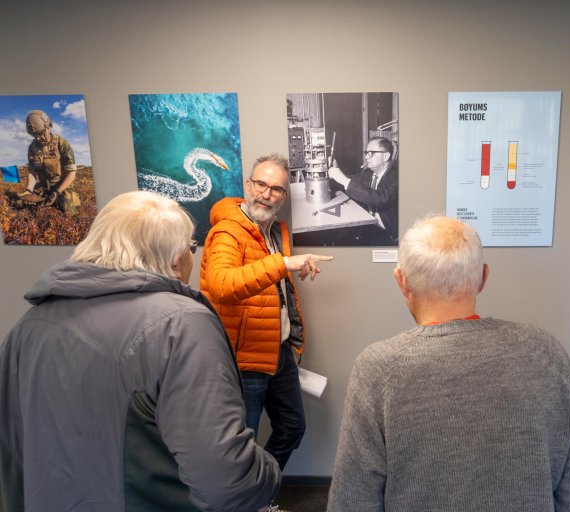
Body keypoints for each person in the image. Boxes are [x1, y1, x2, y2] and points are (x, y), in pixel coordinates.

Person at [0, 191, 280, 511]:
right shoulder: (181, 324)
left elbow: (11, 458)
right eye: (192, 247)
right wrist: (268, 472)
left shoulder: (27, 326)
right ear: (176, 258)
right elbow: (227, 483)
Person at [328, 216, 570, 511]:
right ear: (483, 278)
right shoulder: (545, 351)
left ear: (401, 281)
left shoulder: (378, 369)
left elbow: (352, 501)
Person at [200, 154, 332, 475]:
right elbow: (220, 285)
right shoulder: (229, 232)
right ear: (248, 184)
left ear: (284, 196)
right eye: (261, 184)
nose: (267, 194)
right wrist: (283, 264)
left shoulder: (273, 231)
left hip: (279, 352)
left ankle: (259, 496)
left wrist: (294, 342)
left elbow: (276, 292)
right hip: (243, 359)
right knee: (237, 448)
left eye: (276, 188)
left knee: (291, 428)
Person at [328, 135, 398, 244]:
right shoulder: (369, 173)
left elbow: (380, 199)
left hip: (388, 235)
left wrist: (343, 180)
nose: (366, 157)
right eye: (366, 153)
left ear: (386, 156)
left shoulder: (396, 176)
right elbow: (353, 180)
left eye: (372, 153)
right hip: (370, 227)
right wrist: (337, 172)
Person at [17, 109, 80, 214]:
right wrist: (28, 190)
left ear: (48, 127)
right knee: (24, 205)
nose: (38, 138)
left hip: (61, 186)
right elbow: (32, 173)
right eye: (34, 135)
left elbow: (71, 174)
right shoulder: (32, 148)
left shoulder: (62, 143)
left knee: (67, 211)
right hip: (43, 187)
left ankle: (72, 198)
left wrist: (57, 192)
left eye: (40, 133)